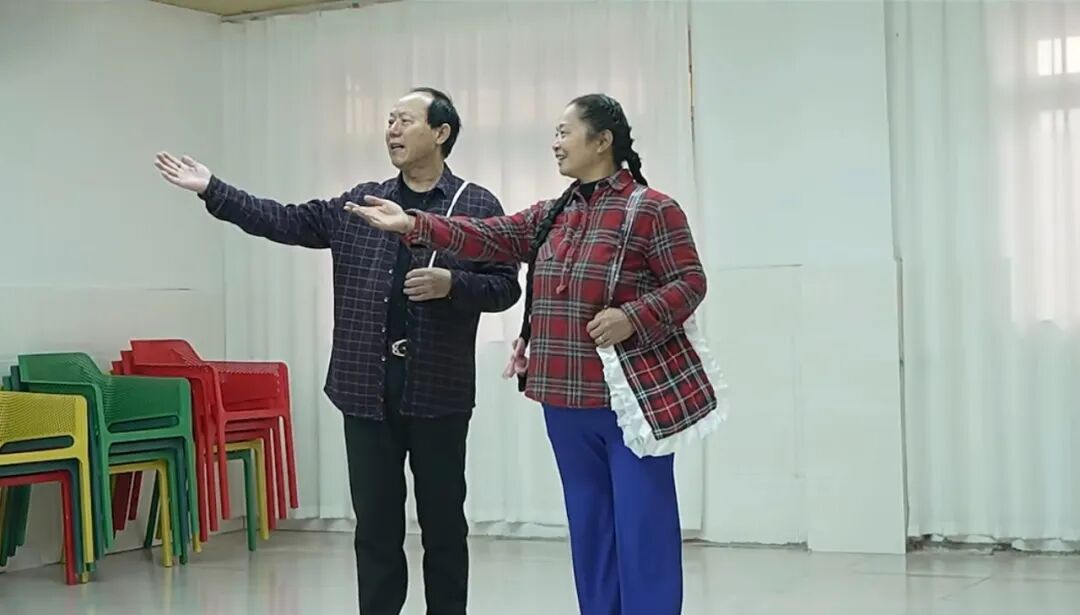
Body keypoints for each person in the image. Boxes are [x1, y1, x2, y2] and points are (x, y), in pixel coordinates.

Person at [347, 94, 722, 615]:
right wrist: (415, 225)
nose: (556, 143)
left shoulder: (652, 209)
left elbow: (690, 282)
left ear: (602, 141)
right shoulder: (552, 214)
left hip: (632, 402)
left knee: (643, 530)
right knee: (590, 530)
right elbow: (486, 236)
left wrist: (632, 317)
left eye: (565, 132)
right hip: (564, 400)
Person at [154, 87, 521, 615]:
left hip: (438, 389)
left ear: (441, 133)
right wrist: (214, 189)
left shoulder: (477, 204)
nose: (392, 129)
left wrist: (452, 285)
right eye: (389, 120)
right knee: (375, 528)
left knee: (443, 524)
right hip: (364, 387)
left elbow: (506, 286)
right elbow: (283, 219)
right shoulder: (361, 202)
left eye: (405, 120)